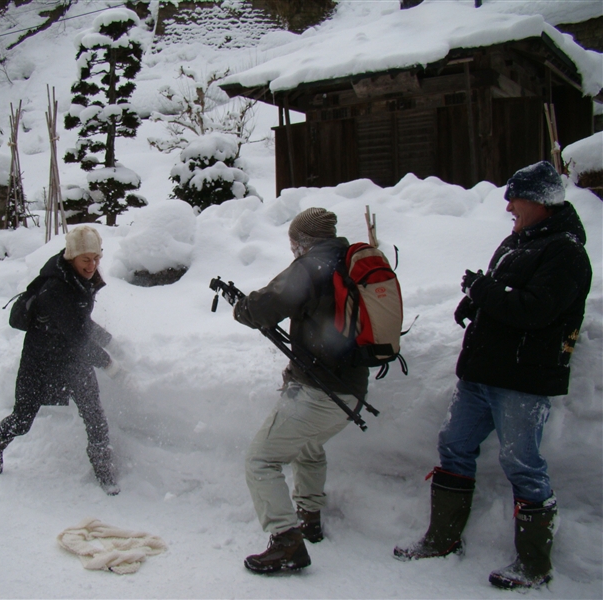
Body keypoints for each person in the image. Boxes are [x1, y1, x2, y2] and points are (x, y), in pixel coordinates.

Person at [394, 161, 593, 590]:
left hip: (524, 380)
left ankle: (534, 565)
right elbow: (506, 295)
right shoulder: (516, 242)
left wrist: (483, 291)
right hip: (481, 373)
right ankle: (442, 538)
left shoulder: (567, 252)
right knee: (455, 445)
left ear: (541, 201)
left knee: (522, 463)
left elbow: (536, 309)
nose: (508, 206)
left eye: (514, 197)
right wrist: (475, 303)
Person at [232, 207, 371, 574]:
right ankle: (309, 517)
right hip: (351, 391)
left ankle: (286, 542)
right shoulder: (349, 261)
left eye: (293, 242)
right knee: (307, 445)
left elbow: (263, 307)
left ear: (302, 241)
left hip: (318, 390)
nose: (292, 248)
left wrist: (242, 307)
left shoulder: (313, 266)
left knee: (260, 459)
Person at [0, 225, 126, 496]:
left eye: (96, 258)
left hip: (73, 361)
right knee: (22, 420)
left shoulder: (78, 279)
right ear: (71, 257)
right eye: (86, 259)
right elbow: (77, 336)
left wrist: (110, 341)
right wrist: (110, 364)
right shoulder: (55, 288)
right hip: (41, 362)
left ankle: (104, 470)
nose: (92, 265)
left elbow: (80, 322)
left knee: (95, 416)